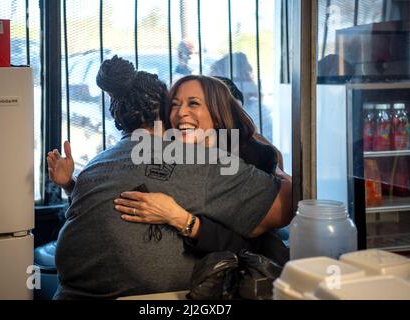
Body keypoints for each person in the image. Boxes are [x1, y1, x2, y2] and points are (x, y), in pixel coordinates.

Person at [52, 56, 291, 299]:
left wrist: (182, 219)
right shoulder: (193, 159)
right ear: (166, 113)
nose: (183, 113)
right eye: (176, 105)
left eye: (194, 104)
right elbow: (282, 208)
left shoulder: (98, 162)